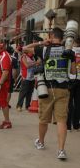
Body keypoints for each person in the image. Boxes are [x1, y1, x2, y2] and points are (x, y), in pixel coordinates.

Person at [24, 27, 77, 160]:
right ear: (62, 38)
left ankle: (41, 142)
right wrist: (73, 59)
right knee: (61, 121)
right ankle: (61, 150)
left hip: (46, 89)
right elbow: (73, 72)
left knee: (43, 119)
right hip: (63, 89)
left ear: (52, 36)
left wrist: (42, 43)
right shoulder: (69, 51)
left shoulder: (44, 49)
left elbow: (25, 49)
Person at [67, 38, 80, 131]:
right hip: (79, 79)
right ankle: (76, 124)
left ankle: (68, 125)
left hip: (71, 79)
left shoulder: (70, 52)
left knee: (69, 103)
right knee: (78, 103)